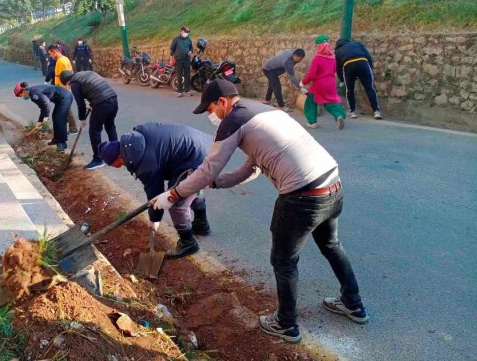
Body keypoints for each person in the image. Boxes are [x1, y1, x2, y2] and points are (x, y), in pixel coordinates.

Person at [153, 80, 368, 343]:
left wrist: (173, 194)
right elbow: (251, 168)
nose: (212, 116)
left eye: (210, 108)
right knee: (332, 245)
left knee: (284, 261)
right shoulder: (262, 111)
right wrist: (216, 183)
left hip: (302, 196)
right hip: (331, 183)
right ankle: (353, 303)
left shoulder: (233, 120)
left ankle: (286, 324)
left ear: (222, 102)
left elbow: (209, 168)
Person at [98, 122, 212, 257]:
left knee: (176, 200)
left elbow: (155, 193)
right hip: (205, 147)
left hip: (195, 158)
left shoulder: (143, 163)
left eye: (112, 164)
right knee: (191, 188)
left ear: (118, 157)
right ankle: (201, 224)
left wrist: (154, 219)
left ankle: (188, 243)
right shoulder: (137, 139)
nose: (114, 167)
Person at [60, 70, 119, 170]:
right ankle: (117, 152)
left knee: (94, 131)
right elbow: (95, 88)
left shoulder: (74, 83)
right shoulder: (85, 73)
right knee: (110, 126)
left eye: (67, 85)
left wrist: (81, 118)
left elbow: (80, 104)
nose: (69, 87)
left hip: (102, 104)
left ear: (67, 81)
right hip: (113, 99)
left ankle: (98, 159)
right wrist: (92, 104)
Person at [299, 35, 347, 130]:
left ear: (318, 46)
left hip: (319, 85)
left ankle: (312, 123)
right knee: (330, 101)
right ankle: (339, 116)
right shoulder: (333, 58)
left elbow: (311, 75)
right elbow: (334, 71)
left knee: (311, 102)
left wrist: (303, 82)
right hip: (331, 84)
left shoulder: (317, 59)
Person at [13, 82, 73, 153]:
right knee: (55, 117)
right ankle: (56, 139)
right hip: (60, 99)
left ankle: (62, 143)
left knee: (60, 118)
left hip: (65, 97)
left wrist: (46, 116)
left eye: (21, 95)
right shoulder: (32, 95)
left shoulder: (34, 93)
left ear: (23, 91)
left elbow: (47, 104)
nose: (22, 97)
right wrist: (40, 121)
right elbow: (42, 108)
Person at [335, 38, 383, 119]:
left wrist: (342, 80)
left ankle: (352, 112)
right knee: (370, 88)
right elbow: (368, 56)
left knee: (349, 90)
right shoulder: (357, 43)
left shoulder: (337, 51)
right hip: (363, 63)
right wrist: (370, 68)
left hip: (348, 66)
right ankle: (376, 111)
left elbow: (338, 68)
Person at [48, 44, 78, 133]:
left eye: (50, 54)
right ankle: (66, 127)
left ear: (55, 52)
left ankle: (73, 128)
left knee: (66, 109)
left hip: (62, 89)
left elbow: (62, 78)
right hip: (65, 88)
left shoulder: (60, 62)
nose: (50, 56)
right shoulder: (65, 59)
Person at [170, 26, 194, 98]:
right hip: (179, 60)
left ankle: (187, 91)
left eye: (187, 32)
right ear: (182, 31)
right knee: (179, 76)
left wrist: (190, 52)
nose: (187, 34)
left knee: (187, 75)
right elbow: (172, 50)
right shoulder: (176, 40)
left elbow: (191, 48)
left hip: (187, 60)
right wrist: (171, 59)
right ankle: (180, 91)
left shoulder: (189, 40)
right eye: (186, 32)